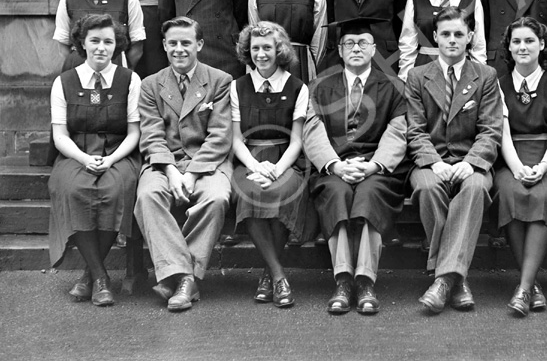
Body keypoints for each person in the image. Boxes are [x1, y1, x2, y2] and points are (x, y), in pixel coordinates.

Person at [304, 17, 408, 315]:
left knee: (369, 195)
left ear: (374, 49)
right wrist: (334, 165)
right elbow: (312, 129)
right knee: (336, 194)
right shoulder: (320, 86)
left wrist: (375, 165)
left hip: (376, 167)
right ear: (340, 50)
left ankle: (364, 280)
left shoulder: (393, 86)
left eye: (363, 43)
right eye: (349, 43)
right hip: (334, 166)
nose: (356, 48)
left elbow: (399, 129)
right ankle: (343, 280)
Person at [405, 7, 502, 314]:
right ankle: (456, 281)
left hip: (470, 160)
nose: (451, 40)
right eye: (445, 34)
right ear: (434, 37)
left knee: (475, 188)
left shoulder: (485, 76)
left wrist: (471, 163)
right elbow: (415, 129)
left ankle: (442, 281)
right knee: (427, 189)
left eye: (458, 34)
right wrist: (434, 163)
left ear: (470, 37)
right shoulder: (418, 76)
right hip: (430, 161)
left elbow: (490, 129)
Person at [135, 16, 233, 311]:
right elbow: (151, 136)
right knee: (148, 196)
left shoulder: (219, 80)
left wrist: (191, 174)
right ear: (164, 45)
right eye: (173, 43)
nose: (179, 49)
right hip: (164, 163)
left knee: (216, 197)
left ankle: (176, 278)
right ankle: (186, 277)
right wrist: (170, 171)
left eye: (186, 43)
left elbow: (219, 136)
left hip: (207, 162)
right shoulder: (151, 85)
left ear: (199, 45)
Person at [48, 14, 141, 306]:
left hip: (118, 151)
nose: (101, 47)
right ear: (82, 44)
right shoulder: (63, 82)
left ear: (117, 46)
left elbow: (135, 132)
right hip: (75, 153)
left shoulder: (130, 79)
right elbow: (60, 135)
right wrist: (84, 158)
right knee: (75, 190)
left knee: (116, 190)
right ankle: (100, 277)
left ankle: (90, 275)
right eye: (95, 41)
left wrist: (112, 158)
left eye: (108, 41)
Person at [492, 17, 547, 316]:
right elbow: (502, 135)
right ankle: (530, 287)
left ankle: (524, 288)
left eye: (529, 40)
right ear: (509, 47)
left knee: (542, 197)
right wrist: (516, 168)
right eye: (516, 41)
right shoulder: (498, 85)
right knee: (509, 193)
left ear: (542, 45)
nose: (522, 46)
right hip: (512, 157)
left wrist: (542, 167)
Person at [230, 21, 313, 307]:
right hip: (250, 158)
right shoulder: (237, 87)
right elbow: (237, 140)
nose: (261, 54)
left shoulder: (297, 87)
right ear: (247, 51)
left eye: (268, 47)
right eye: (255, 48)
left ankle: (268, 275)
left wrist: (277, 170)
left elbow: (297, 141)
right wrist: (255, 166)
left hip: (285, 159)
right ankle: (278, 275)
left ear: (279, 50)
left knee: (283, 191)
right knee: (248, 192)